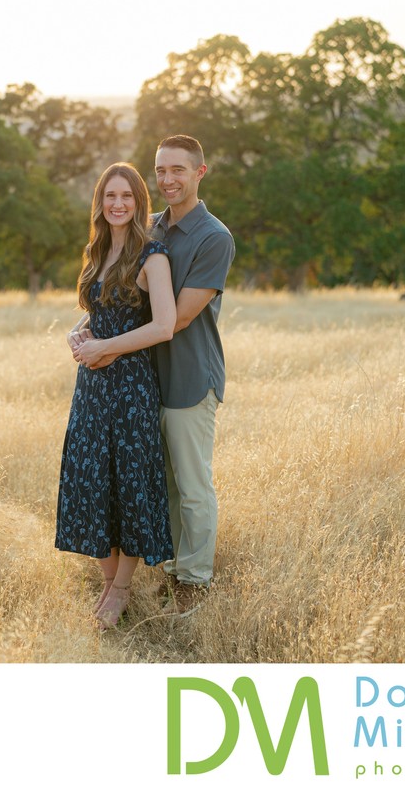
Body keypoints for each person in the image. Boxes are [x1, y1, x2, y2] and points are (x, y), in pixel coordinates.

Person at [56, 161, 176, 630]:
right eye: (110, 196)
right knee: (92, 480)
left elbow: (163, 325)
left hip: (130, 388)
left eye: (127, 196)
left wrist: (105, 347)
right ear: (100, 203)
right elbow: (100, 309)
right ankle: (108, 582)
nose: (118, 204)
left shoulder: (154, 257)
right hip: (91, 387)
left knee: (128, 484)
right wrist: (78, 331)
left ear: (139, 201)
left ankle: (122, 588)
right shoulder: (97, 250)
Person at [149, 135, 235, 613]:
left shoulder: (214, 238)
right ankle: (174, 570)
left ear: (200, 172)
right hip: (148, 377)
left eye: (178, 170)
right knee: (164, 481)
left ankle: (196, 580)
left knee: (193, 484)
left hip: (188, 377)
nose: (167, 180)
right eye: (161, 170)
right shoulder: (149, 229)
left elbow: (178, 319)